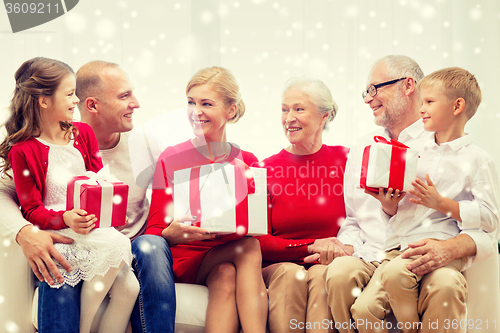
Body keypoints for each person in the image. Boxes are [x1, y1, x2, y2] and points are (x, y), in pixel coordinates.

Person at [323, 55, 497, 333]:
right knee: (342, 276)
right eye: (366, 91)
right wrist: (381, 213)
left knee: (444, 284)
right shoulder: (363, 146)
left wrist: (451, 245)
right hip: (376, 252)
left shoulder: (438, 144)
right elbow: (355, 218)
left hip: (422, 249)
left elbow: (488, 224)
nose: (368, 99)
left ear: (407, 86)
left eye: (375, 88)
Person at [0, 60, 176, 333]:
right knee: (63, 268)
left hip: (118, 239)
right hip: (69, 233)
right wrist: (29, 230)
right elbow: (21, 201)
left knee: (137, 269)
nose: (136, 103)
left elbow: (101, 178)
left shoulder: (99, 138)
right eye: (124, 96)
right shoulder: (28, 149)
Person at [369, 67, 499, 331]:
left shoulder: (478, 160)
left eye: (429, 102)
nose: (421, 109)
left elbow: (490, 217)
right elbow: (401, 210)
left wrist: (443, 204)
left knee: (401, 275)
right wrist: (389, 206)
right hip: (402, 243)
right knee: (363, 309)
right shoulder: (413, 152)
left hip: (441, 241)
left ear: (457, 106)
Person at [145, 66, 268, 333]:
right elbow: (154, 231)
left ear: (231, 110)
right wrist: (174, 234)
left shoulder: (248, 161)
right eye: (191, 102)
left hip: (224, 257)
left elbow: (258, 226)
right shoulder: (172, 157)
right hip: (186, 257)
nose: (195, 112)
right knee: (248, 248)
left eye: (206, 104)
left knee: (227, 274)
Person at [256, 77, 350, 333]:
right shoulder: (264, 169)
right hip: (280, 267)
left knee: (322, 275)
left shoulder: (346, 161)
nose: (288, 118)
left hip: (327, 265)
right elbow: (258, 241)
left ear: (324, 116)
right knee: (291, 274)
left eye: (299, 109)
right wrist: (308, 246)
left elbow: (367, 222)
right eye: (285, 109)